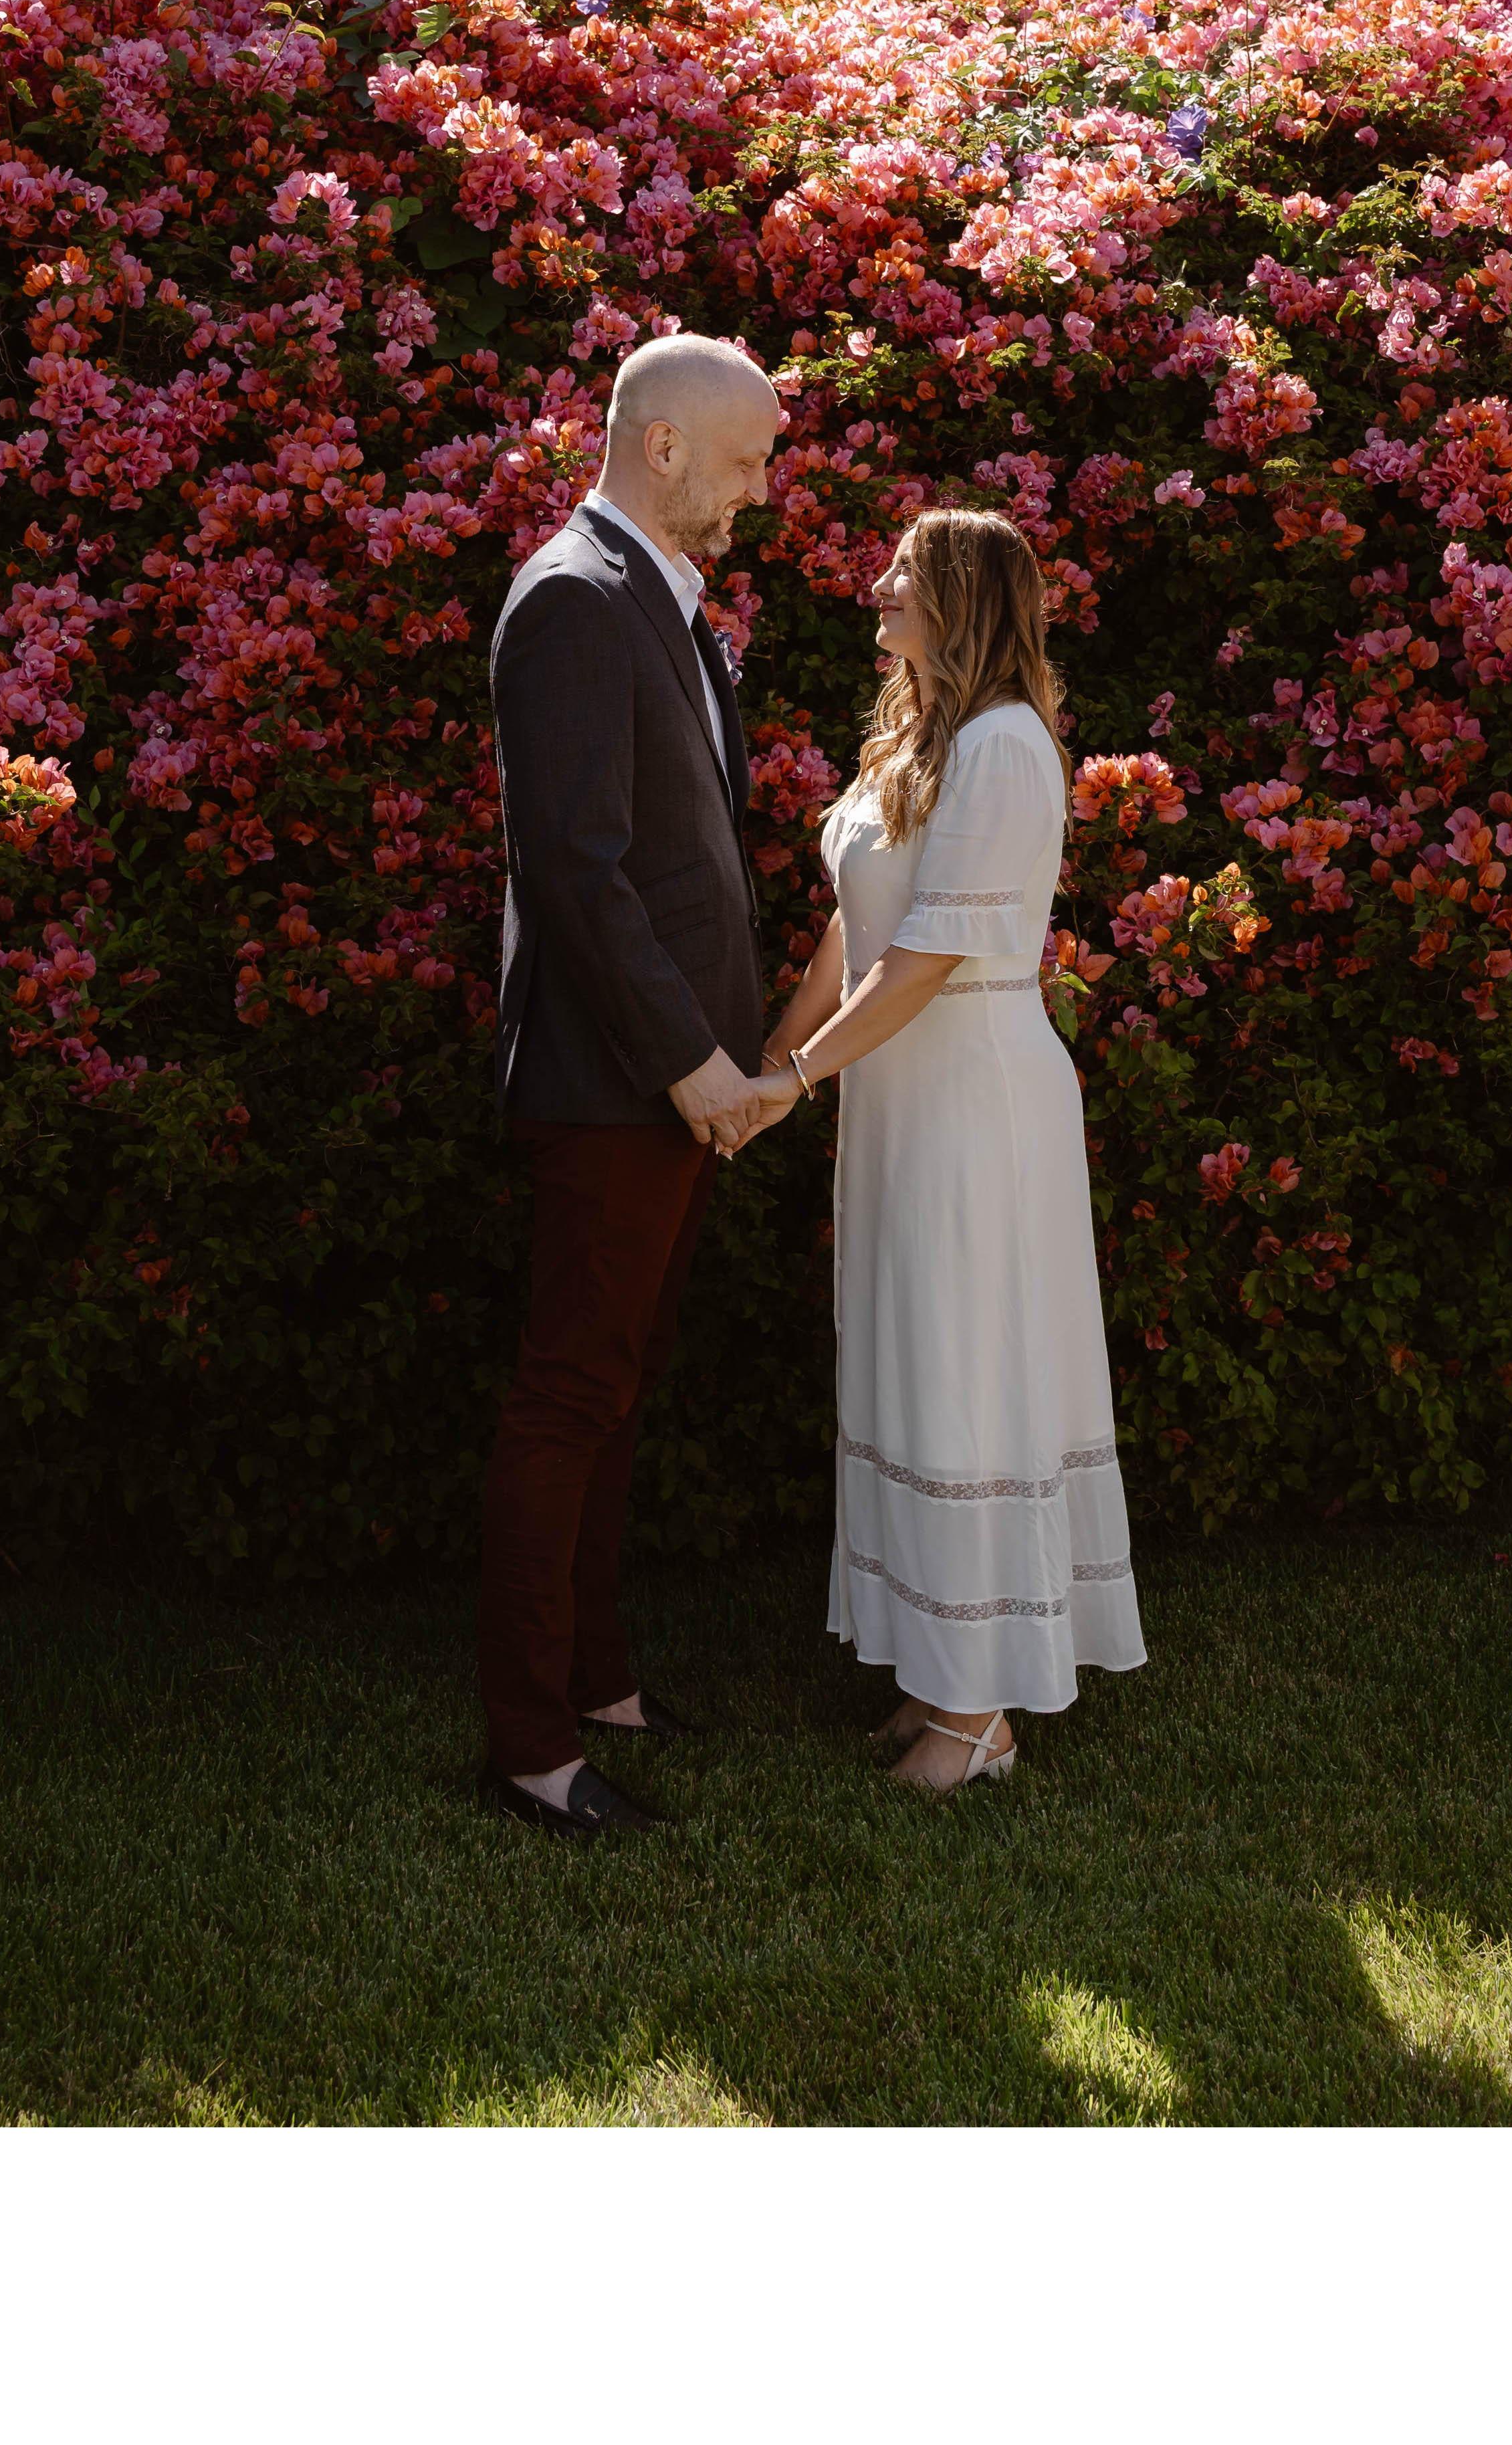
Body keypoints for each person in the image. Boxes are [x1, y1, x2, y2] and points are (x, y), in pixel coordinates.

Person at [760, 504, 1144, 1792]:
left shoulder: (1004, 745)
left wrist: (799, 1081)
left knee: (970, 1369)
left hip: (974, 1095)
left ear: (963, 599)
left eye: (903, 578)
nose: (876, 590)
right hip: (898, 1094)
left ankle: (982, 1714)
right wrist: (781, 1051)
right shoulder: (911, 740)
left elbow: (930, 958)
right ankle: (937, 1670)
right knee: (911, 1360)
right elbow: (854, 931)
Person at [476, 334, 794, 1836]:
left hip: (671, 1093)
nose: (758, 490)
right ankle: (534, 1743)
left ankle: (599, 1678)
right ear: (658, 445)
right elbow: (581, 874)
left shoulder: (652, 595)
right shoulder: (573, 600)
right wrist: (693, 1065)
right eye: (745, 459)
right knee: (567, 1402)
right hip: (620, 1088)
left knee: (614, 1396)